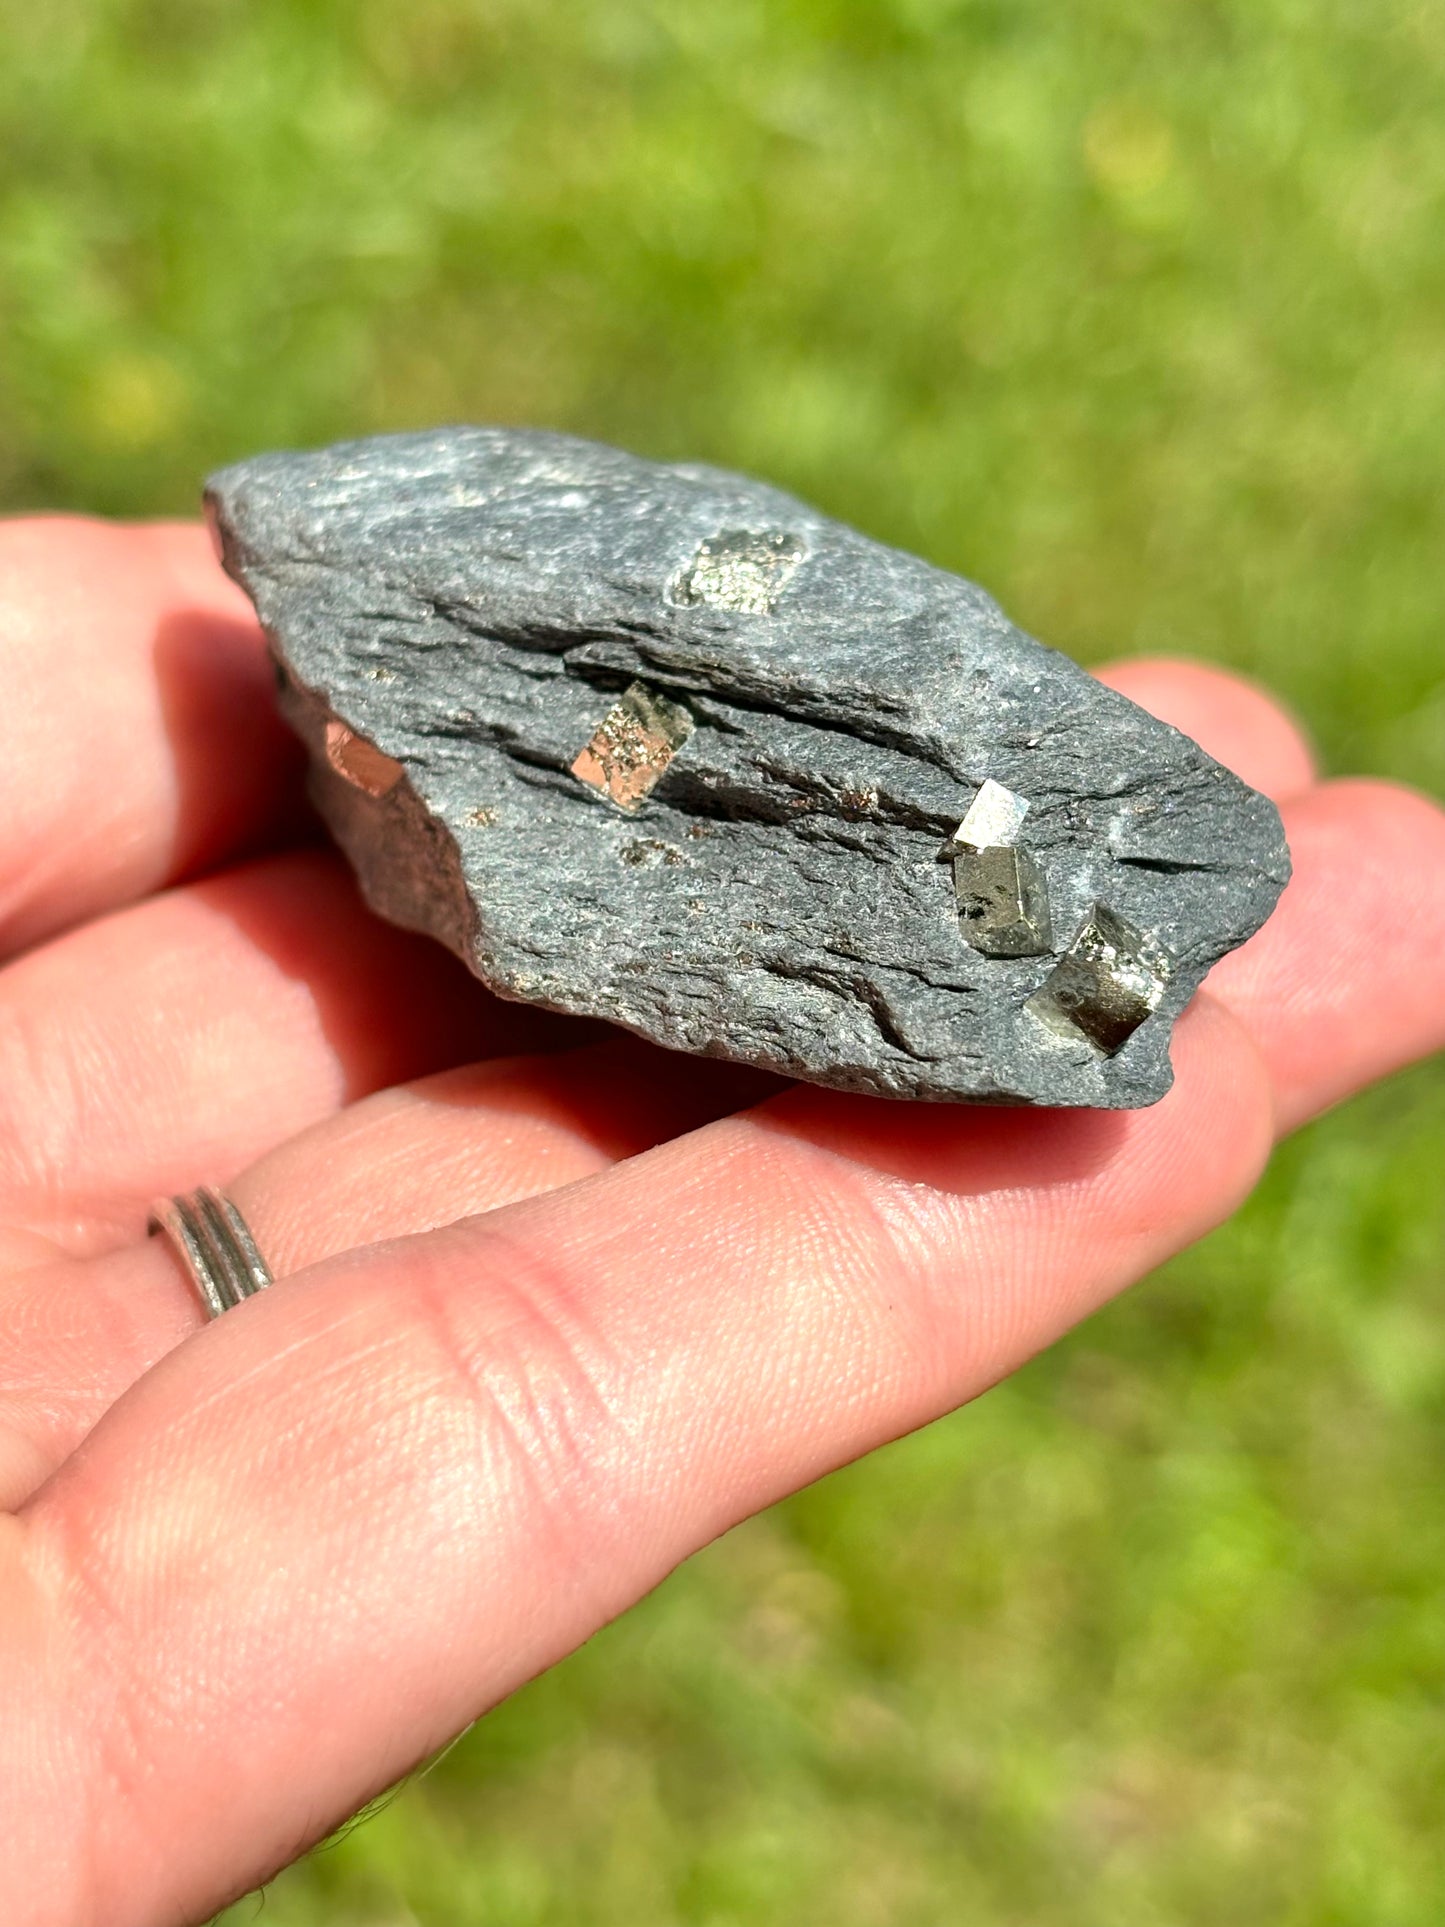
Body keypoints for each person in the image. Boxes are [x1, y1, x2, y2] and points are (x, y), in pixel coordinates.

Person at [0, 516, 1441, 1926]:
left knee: (951, 853)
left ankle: (1067, 965)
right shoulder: (586, 721)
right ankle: (1049, 959)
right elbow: (623, 759)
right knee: (721, 776)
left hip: (869, 821)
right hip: (679, 780)